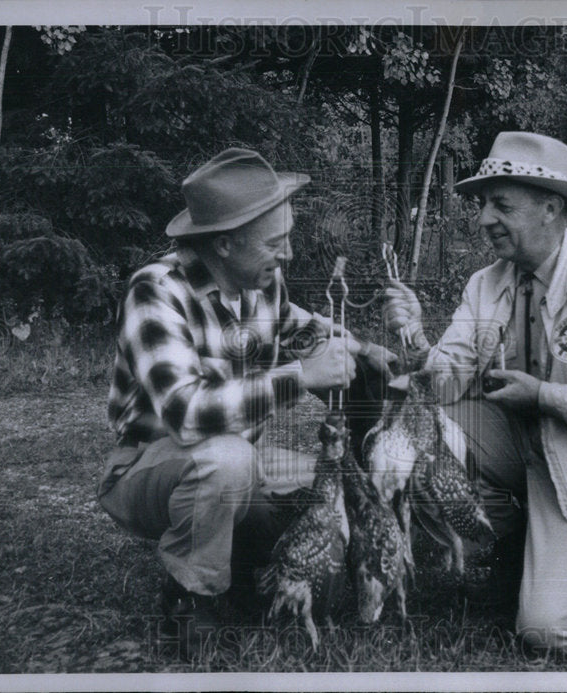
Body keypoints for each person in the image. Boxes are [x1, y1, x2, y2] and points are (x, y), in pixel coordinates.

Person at [383, 132, 567, 652]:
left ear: (549, 208)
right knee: (413, 443)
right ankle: (532, 545)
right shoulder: (485, 283)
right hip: (533, 451)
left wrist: (544, 396)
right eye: (482, 205)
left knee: (544, 632)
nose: (483, 220)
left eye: (501, 205)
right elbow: (449, 378)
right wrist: (413, 337)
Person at [97, 148, 395, 654]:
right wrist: (298, 377)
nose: (289, 256)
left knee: (333, 483)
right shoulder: (155, 293)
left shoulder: (262, 285)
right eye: (275, 244)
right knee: (225, 459)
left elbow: (309, 329)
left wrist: (366, 351)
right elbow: (189, 415)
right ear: (226, 243)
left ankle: (245, 563)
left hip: (246, 465)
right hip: (151, 467)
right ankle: (190, 600)